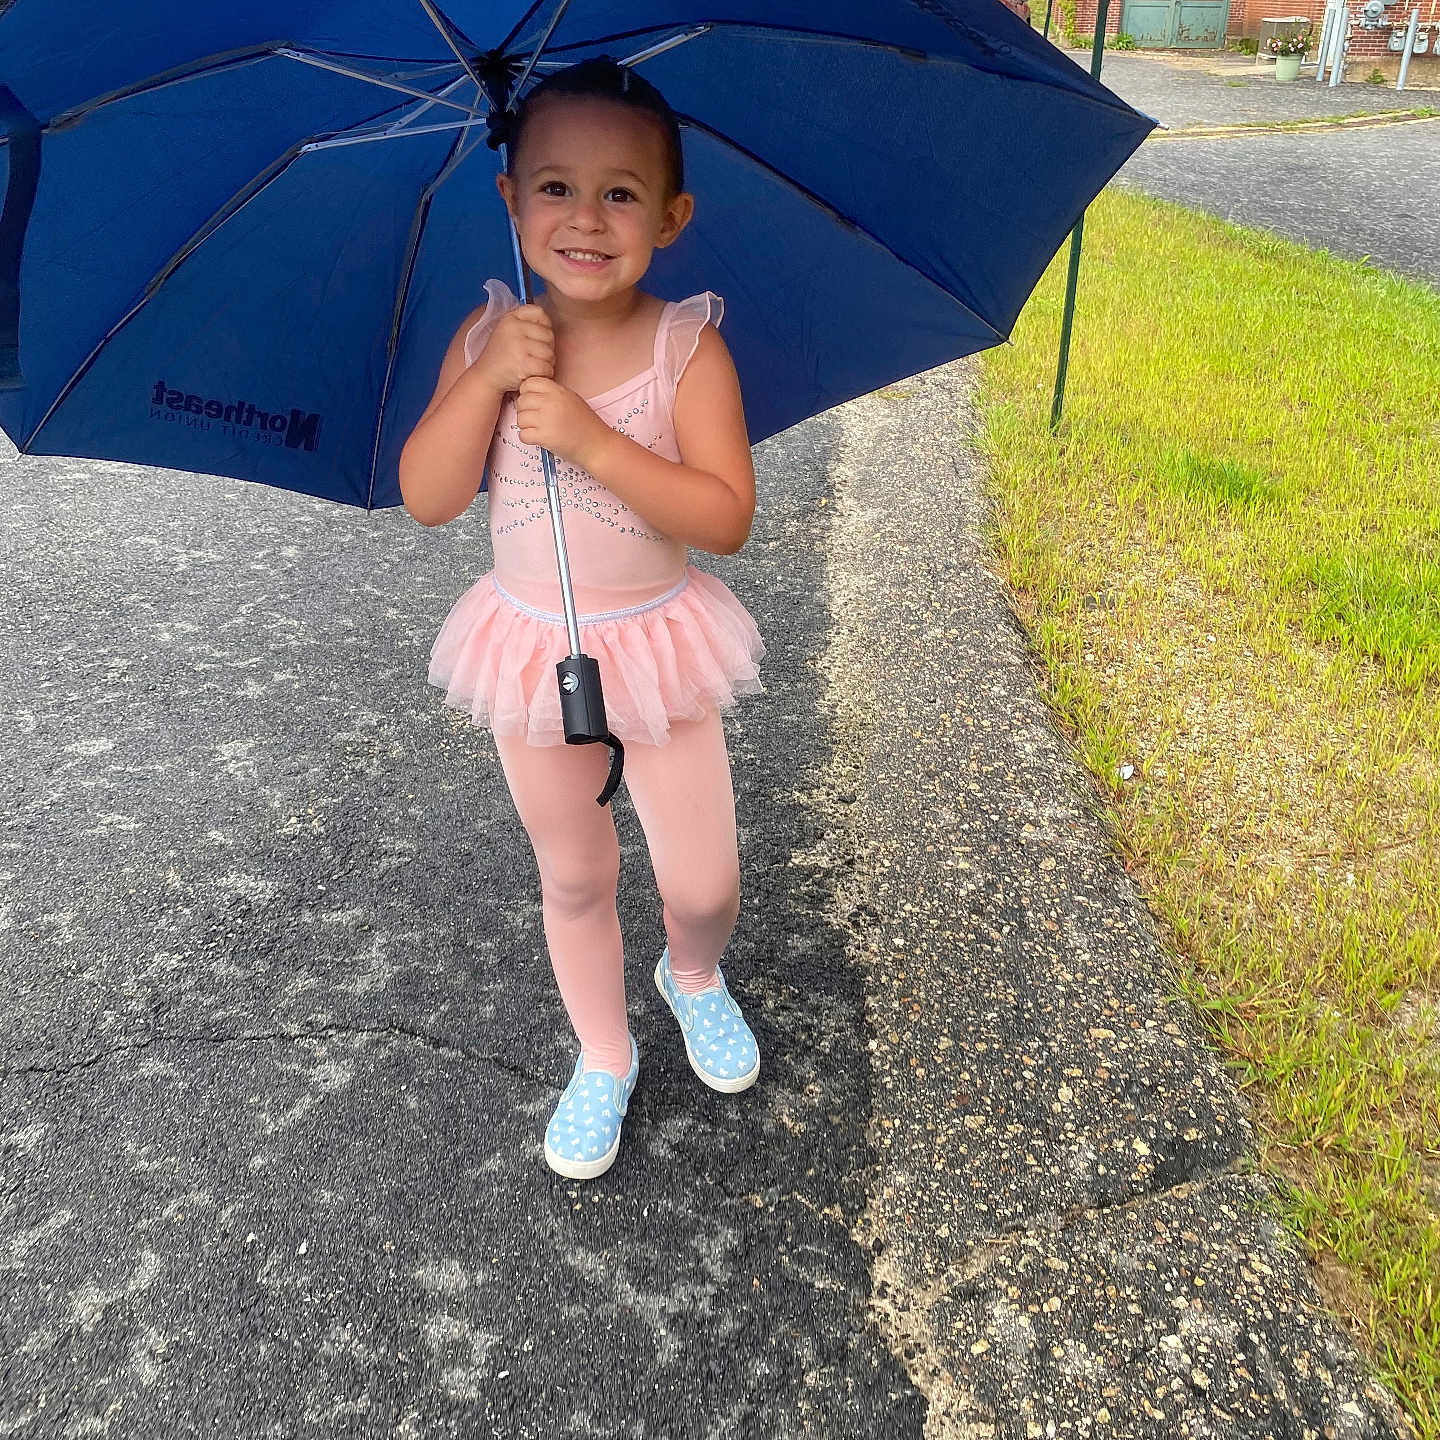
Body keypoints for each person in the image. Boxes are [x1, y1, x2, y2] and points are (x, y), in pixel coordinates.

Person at [398, 58, 767, 1182]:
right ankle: (602, 1055)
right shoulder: (491, 344)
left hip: (655, 641)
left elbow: (727, 515)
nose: (586, 217)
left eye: (620, 193)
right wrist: (485, 383)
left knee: (703, 881)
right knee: (575, 873)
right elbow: (428, 496)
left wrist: (597, 442)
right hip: (529, 648)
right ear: (511, 202)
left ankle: (691, 975)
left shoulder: (685, 348)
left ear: (671, 215)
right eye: (553, 187)